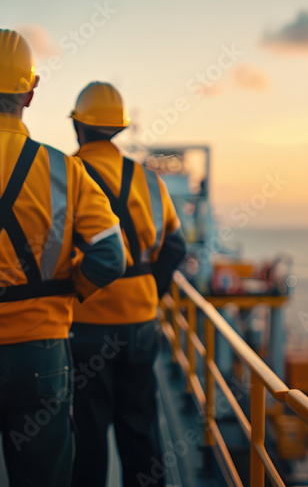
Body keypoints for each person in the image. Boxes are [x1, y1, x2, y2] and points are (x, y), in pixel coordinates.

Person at [0, 29, 125, 486]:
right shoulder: (65, 170)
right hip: (43, 355)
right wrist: (69, 291)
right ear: (30, 94)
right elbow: (111, 256)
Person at [68, 82, 187, 486]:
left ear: (77, 127)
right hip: (140, 323)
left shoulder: (65, 174)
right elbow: (174, 246)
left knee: (86, 432)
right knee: (139, 426)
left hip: (83, 323)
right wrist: (151, 291)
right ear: (118, 129)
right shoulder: (150, 182)